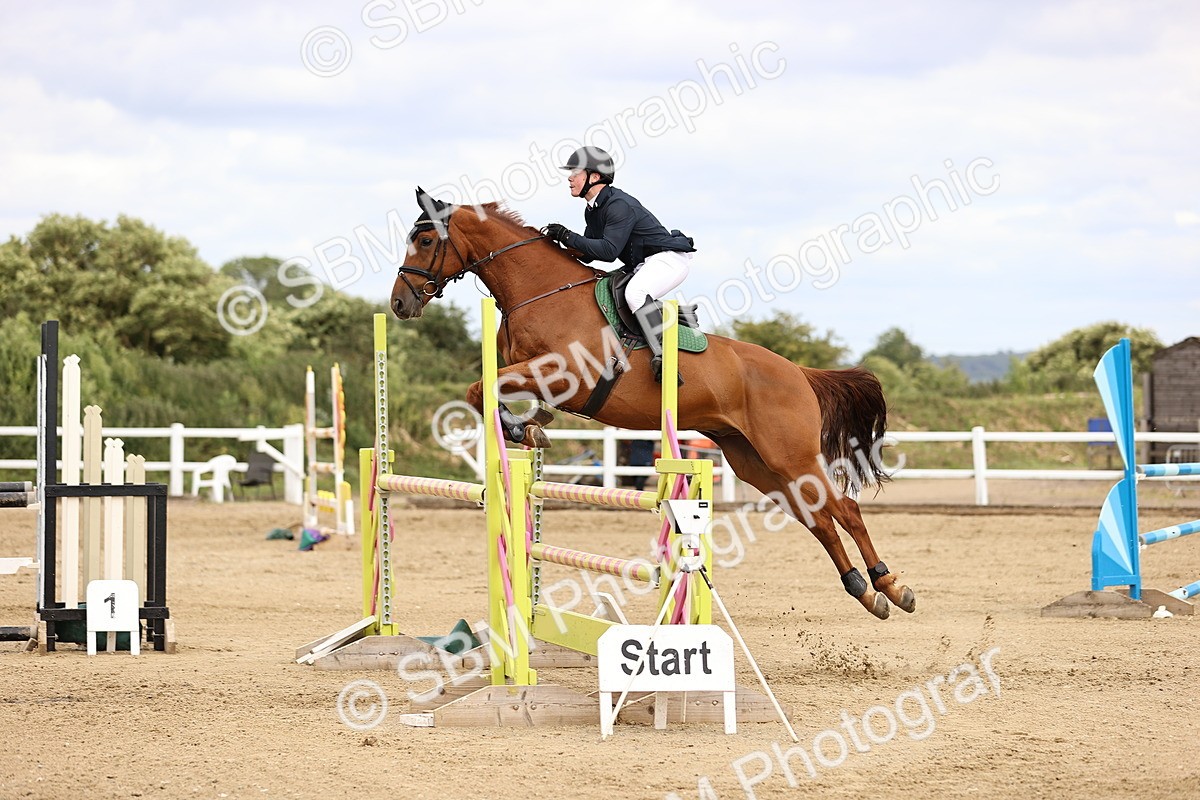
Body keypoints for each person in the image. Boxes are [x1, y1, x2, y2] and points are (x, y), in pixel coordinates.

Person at [545, 146, 695, 382]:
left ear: (594, 176)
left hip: (668, 259)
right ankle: (674, 315)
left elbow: (608, 251)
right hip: (644, 263)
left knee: (635, 293)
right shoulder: (593, 209)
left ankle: (665, 357)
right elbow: (588, 253)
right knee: (604, 287)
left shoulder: (618, 205)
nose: (570, 178)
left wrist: (567, 235)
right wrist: (555, 248)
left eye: (575, 172)